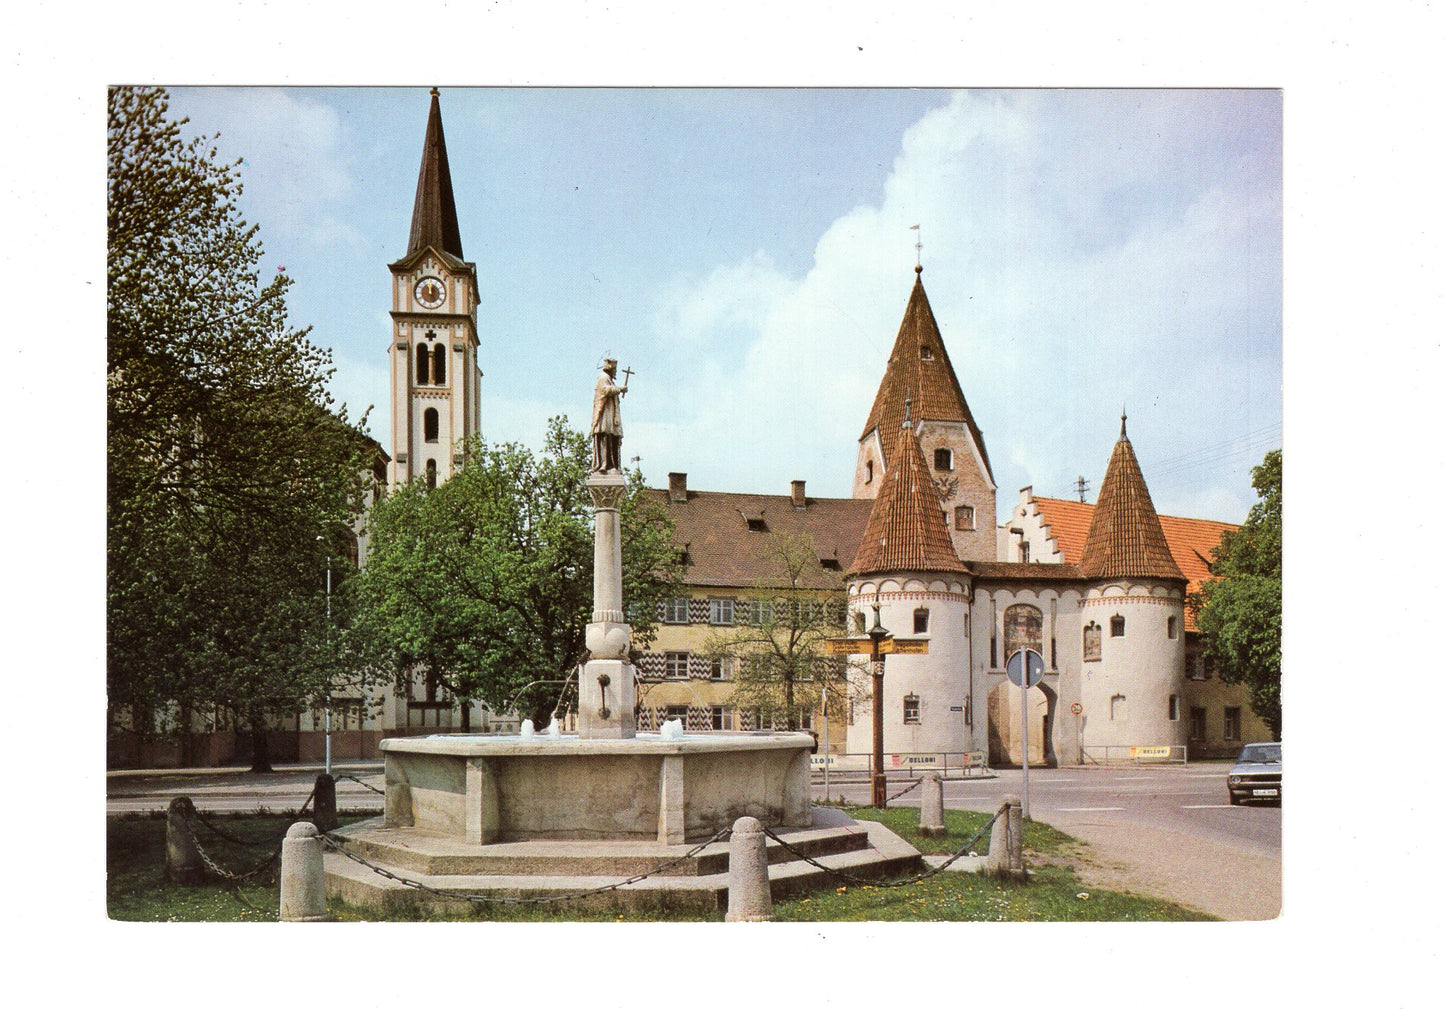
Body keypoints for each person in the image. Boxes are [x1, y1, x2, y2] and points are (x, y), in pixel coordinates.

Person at [591, 359, 627, 472]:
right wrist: (619, 389)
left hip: (610, 415)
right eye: (614, 369)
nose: (615, 371)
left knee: (611, 437)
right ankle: (604, 464)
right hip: (604, 414)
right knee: (605, 437)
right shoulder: (603, 377)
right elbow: (604, 390)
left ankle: (611, 465)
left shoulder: (610, 380)